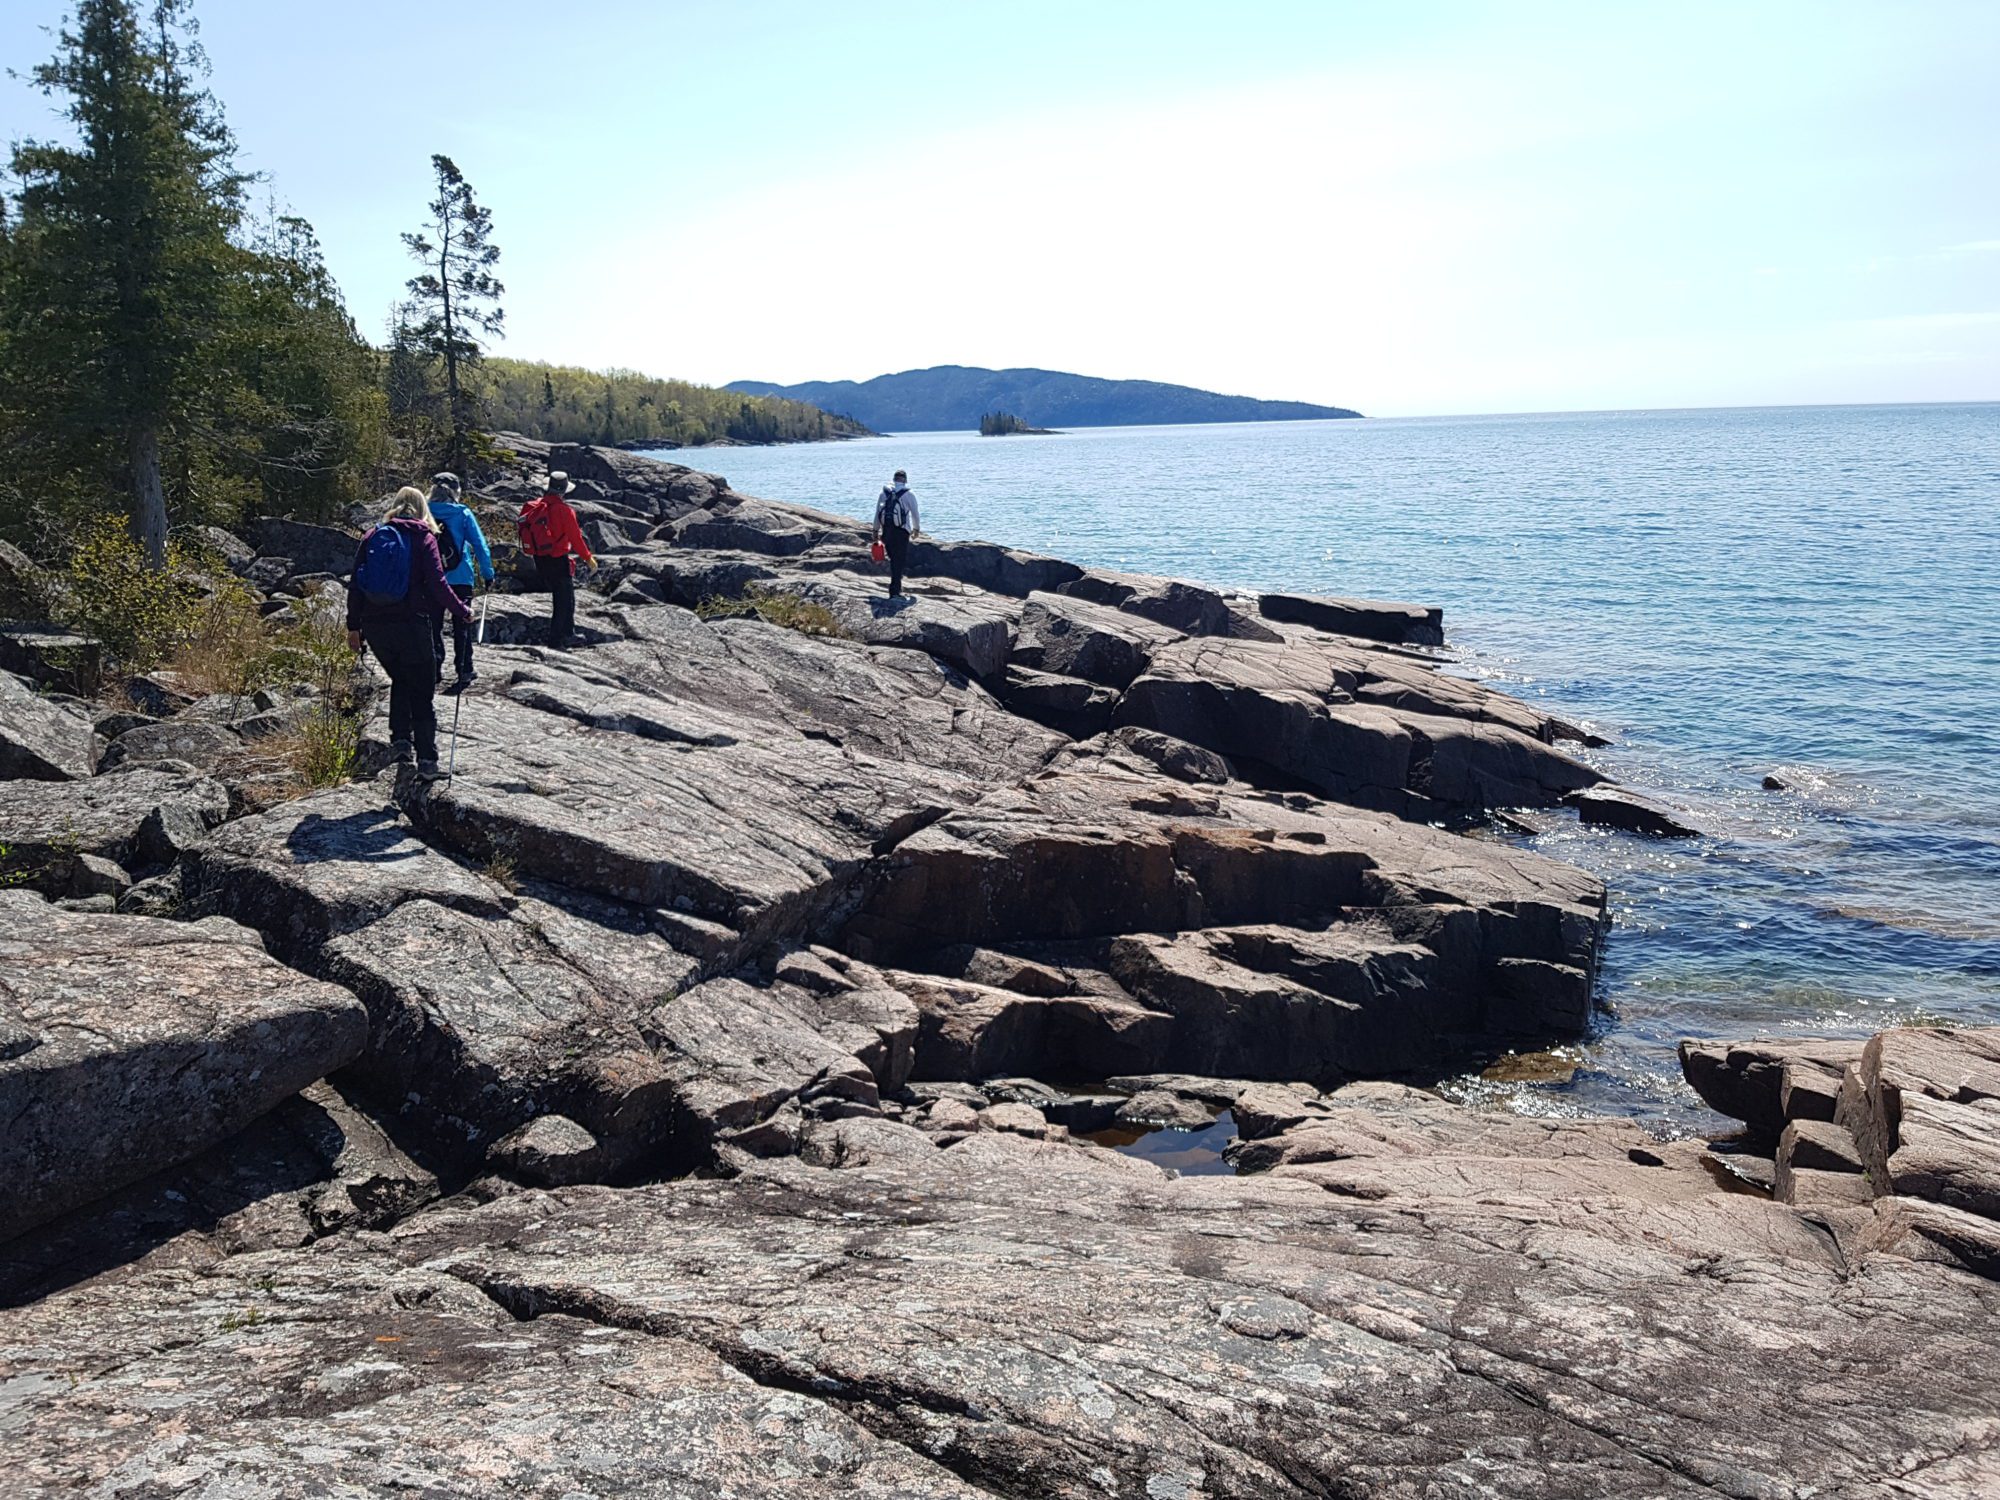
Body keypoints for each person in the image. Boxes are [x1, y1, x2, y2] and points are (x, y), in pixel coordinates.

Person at [346, 487, 472, 779]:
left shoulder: (373, 535)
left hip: (376, 626)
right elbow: (438, 582)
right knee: (422, 690)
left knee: (400, 678)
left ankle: (401, 741)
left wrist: (354, 627)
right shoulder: (423, 536)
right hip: (412, 622)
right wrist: (462, 611)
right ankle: (427, 761)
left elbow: (356, 584)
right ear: (421, 508)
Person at [426, 472, 495, 694]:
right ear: (456, 491)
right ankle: (464, 668)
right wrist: (488, 573)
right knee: (462, 622)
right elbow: (479, 545)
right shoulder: (463, 513)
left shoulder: (423, 511)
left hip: (432, 577)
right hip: (461, 577)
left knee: (432, 625)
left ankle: (434, 669)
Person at [517, 471, 595, 647]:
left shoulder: (532, 507)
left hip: (539, 558)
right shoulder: (565, 510)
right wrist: (588, 558)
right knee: (564, 599)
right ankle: (561, 637)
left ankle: (563, 634)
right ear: (564, 491)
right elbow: (576, 538)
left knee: (560, 596)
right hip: (558, 559)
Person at [871, 469, 921, 598]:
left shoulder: (884, 493)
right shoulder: (909, 494)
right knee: (899, 560)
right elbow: (915, 514)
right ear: (905, 480)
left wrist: (875, 530)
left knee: (894, 559)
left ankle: (895, 587)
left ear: (894, 479)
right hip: (901, 532)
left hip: (887, 531)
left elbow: (878, 513)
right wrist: (916, 529)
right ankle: (895, 590)